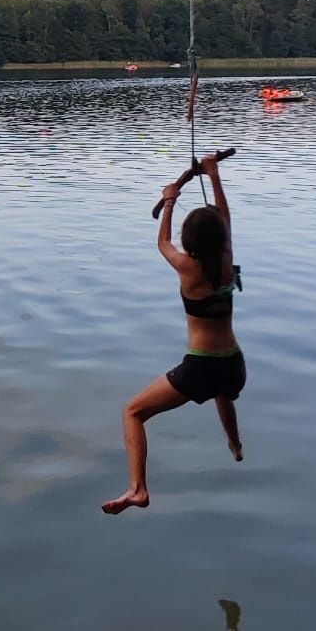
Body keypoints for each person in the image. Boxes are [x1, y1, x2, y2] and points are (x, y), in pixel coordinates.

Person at [103, 154, 245, 516]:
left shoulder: (187, 266)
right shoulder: (226, 259)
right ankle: (235, 443)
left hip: (201, 367)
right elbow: (224, 221)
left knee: (132, 412)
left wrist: (169, 200)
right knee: (221, 391)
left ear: (190, 239)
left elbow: (162, 243)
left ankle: (138, 489)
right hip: (234, 364)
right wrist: (214, 175)